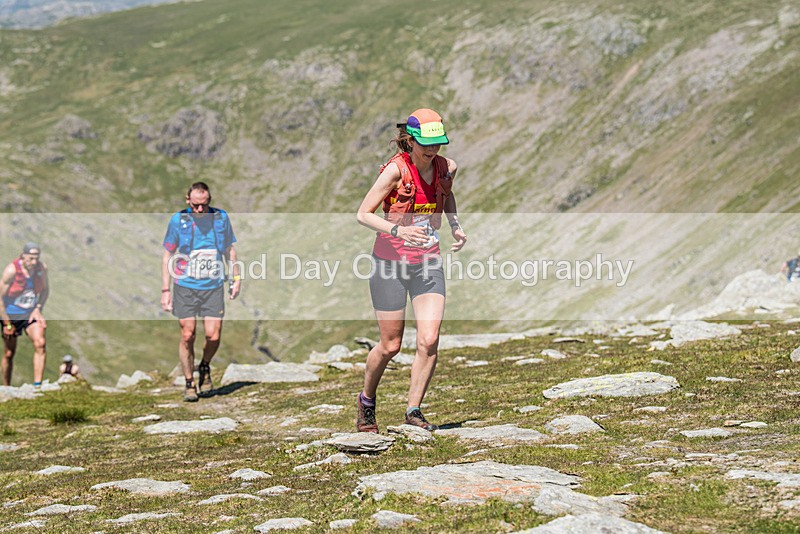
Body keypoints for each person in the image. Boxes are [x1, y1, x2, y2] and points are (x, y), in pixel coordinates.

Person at [355, 108, 467, 432]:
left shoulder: (448, 168)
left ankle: (413, 411)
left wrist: (455, 225)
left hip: (427, 260)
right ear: (412, 140)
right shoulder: (395, 171)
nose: (432, 151)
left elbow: (446, 195)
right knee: (391, 345)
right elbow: (363, 213)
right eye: (426, 145)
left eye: (438, 145)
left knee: (429, 339)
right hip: (389, 263)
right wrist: (398, 231)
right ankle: (366, 400)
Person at [161, 182, 240, 402]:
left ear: (209, 201)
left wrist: (236, 277)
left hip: (213, 286)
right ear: (188, 201)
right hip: (185, 286)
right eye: (195, 206)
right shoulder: (178, 221)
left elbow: (229, 249)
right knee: (188, 334)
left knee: (213, 336)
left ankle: (204, 366)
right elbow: (167, 254)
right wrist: (165, 290)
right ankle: (189, 383)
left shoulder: (221, 218)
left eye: (204, 205)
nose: (199, 210)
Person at [0, 242, 49, 387]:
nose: (34, 262)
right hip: (10, 315)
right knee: (9, 353)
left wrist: (38, 308)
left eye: (36, 258)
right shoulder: (11, 271)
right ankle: (6, 387)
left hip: (30, 313)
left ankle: (37, 386)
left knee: (40, 343)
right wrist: (7, 323)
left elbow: (45, 290)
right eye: (31, 258)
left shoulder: (41, 268)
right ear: (23, 256)